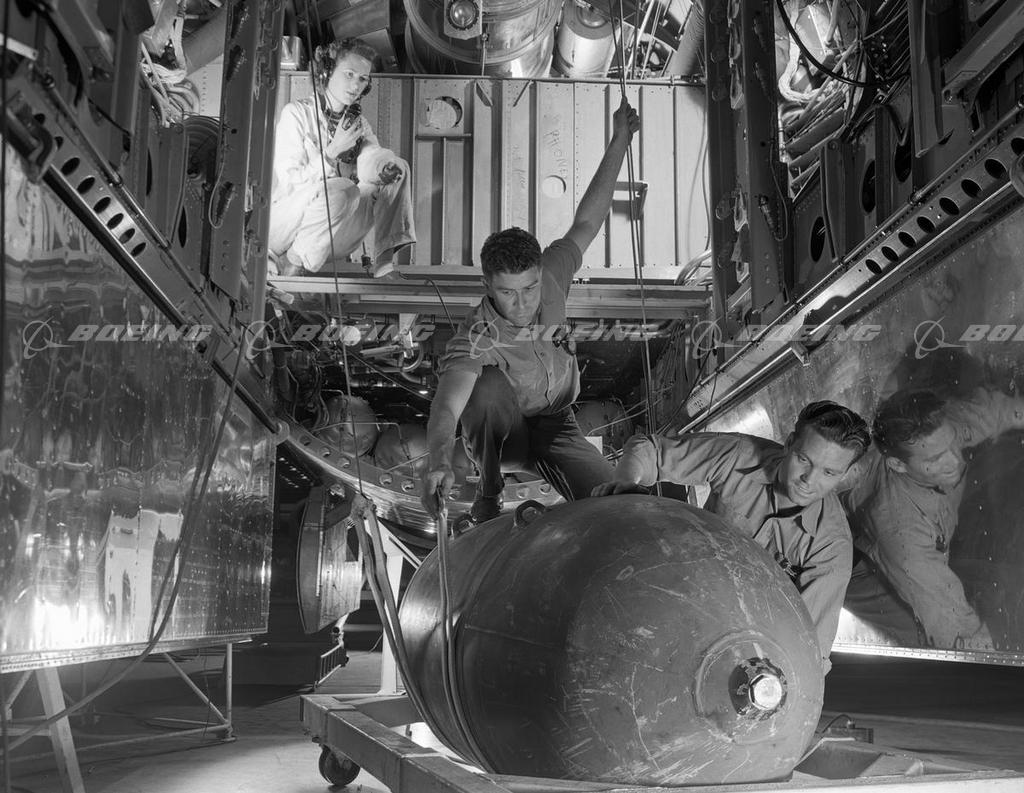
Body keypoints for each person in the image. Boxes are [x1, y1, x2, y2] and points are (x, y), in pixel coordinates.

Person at [420, 98, 641, 524]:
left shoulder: (553, 274)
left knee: (616, 506)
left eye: (530, 288)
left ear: (540, 273)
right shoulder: (475, 336)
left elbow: (587, 222)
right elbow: (447, 407)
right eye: (508, 293)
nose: (522, 304)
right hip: (506, 439)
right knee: (483, 388)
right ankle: (489, 489)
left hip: (559, 425)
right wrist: (439, 462)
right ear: (487, 286)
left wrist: (620, 140)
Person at [592, 401, 871, 672]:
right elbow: (649, 449)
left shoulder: (831, 548)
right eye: (803, 460)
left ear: (844, 474)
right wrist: (626, 482)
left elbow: (808, 653)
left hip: (738, 644)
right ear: (789, 444)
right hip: (680, 589)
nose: (809, 479)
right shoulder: (739, 455)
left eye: (829, 472)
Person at [840, 387, 1024, 651]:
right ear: (898, 465)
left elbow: (1000, 410)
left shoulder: (940, 429)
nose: (954, 460)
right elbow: (958, 629)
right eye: (936, 459)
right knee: (920, 637)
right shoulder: (902, 535)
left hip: (936, 533)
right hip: (861, 563)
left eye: (952, 443)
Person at [268, 37, 415, 278]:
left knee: (398, 168)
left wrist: (383, 168)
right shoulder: (296, 114)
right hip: (286, 226)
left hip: (332, 235)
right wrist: (330, 154)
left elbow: (370, 160)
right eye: (349, 74)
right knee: (343, 190)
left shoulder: (358, 125)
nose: (356, 85)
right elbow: (290, 182)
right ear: (327, 73)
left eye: (362, 79)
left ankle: (384, 263)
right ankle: (292, 263)